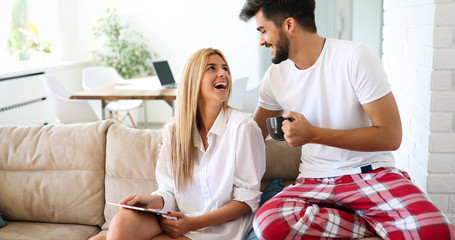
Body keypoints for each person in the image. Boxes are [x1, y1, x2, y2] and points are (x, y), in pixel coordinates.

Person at [239, 0, 455, 239]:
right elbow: (252, 133)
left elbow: (391, 136)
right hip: (314, 182)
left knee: (437, 231)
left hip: (370, 174)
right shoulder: (275, 77)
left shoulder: (355, 56)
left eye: (263, 30)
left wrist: (313, 134)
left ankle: (382, 221)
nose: (261, 41)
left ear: (288, 24)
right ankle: (379, 224)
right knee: (267, 223)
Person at [91, 48, 266, 240]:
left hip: (220, 230)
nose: (223, 73)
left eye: (225, 68)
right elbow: (169, 192)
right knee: (122, 221)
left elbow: (247, 201)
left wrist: (191, 223)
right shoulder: (175, 131)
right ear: (193, 80)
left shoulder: (243, 128)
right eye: (211, 68)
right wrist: (150, 201)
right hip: (179, 221)